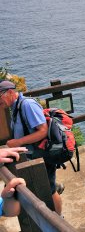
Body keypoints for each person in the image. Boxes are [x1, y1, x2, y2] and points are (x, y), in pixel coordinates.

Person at [0, 80, 63, 215]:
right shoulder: (15, 107)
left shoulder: (27, 105)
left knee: (50, 191)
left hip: (42, 155)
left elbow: (43, 131)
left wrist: (18, 142)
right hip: (32, 157)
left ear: (10, 92)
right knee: (43, 188)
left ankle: (59, 219)